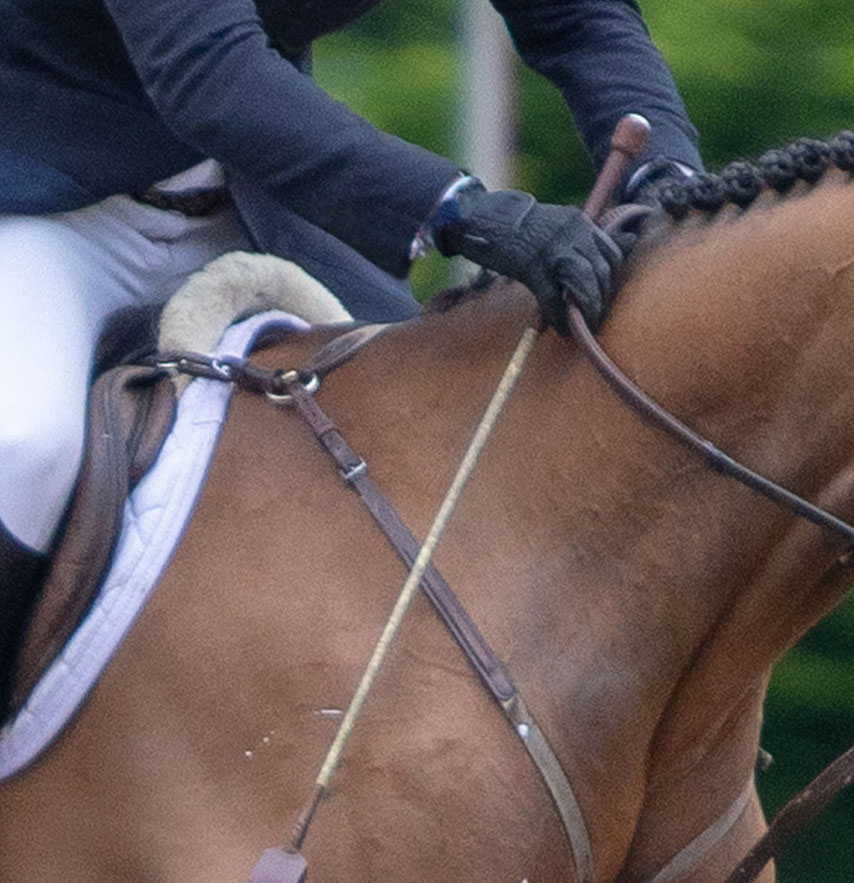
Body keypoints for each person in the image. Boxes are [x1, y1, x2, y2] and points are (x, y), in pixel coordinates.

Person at [0, 0, 703, 678]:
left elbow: (578, 17)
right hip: (45, 192)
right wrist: (460, 211)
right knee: (24, 448)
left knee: (439, 438)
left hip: (250, 199)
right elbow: (208, 72)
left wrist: (668, 176)